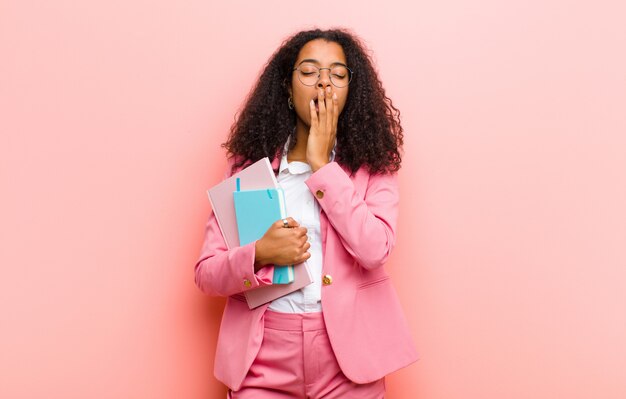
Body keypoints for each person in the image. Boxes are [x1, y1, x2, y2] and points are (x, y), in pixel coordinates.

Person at [194, 28, 419, 398]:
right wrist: (260, 254)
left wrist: (321, 165)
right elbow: (207, 273)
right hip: (262, 362)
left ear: (352, 90)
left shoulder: (374, 166)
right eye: (310, 71)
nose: (324, 84)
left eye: (338, 74)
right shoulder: (248, 168)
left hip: (348, 362)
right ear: (287, 85)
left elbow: (374, 249)